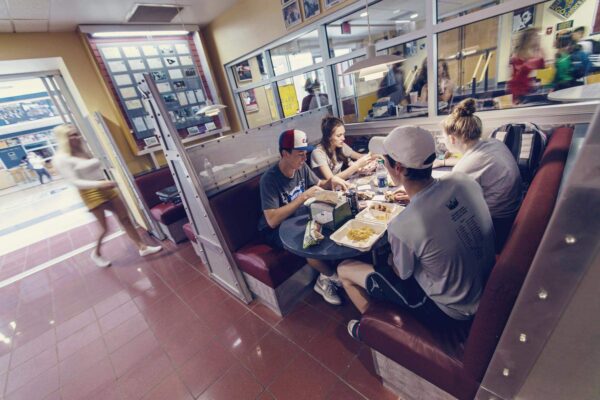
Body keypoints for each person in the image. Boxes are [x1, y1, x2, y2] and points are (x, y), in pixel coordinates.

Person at [338, 125, 495, 339]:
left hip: (450, 311)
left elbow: (402, 274)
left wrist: (394, 257)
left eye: (385, 160)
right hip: (483, 284)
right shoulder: (463, 181)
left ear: (399, 168)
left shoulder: (403, 225)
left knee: (344, 269)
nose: (384, 164)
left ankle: (374, 330)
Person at [258, 129, 348, 305]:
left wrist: (331, 181)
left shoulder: (301, 167)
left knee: (336, 218)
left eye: (305, 154)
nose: (304, 158)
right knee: (308, 241)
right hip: (275, 230)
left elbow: (318, 184)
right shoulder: (269, 180)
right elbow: (272, 220)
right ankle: (334, 278)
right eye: (300, 154)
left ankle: (323, 279)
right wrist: (303, 197)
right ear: (285, 154)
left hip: (297, 218)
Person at [52, 124, 162, 267]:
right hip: (90, 192)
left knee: (125, 219)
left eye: (76, 134)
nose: (75, 137)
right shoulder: (62, 158)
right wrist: (99, 185)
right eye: (71, 135)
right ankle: (96, 253)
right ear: (63, 139)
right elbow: (74, 181)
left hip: (104, 185)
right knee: (105, 228)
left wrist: (104, 182)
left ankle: (142, 247)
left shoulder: (82, 149)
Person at [440, 98, 522, 251]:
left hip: (497, 226)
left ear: (452, 138)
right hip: (512, 212)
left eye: (443, 138)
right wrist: (444, 163)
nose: (443, 141)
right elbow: (476, 161)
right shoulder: (494, 143)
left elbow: (444, 200)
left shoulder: (465, 168)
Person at [310, 116, 374, 181]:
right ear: (328, 137)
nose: (343, 138)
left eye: (343, 134)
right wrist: (356, 166)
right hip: (327, 189)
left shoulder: (340, 146)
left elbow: (359, 156)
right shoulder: (318, 153)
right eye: (339, 135)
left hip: (341, 186)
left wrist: (376, 155)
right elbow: (331, 180)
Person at [507, 28, 545, 104]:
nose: (537, 39)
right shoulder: (519, 53)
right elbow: (519, 70)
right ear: (528, 38)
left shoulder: (532, 52)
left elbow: (541, 65)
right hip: (517, 87)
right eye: (535, 37)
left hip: (526, 86)